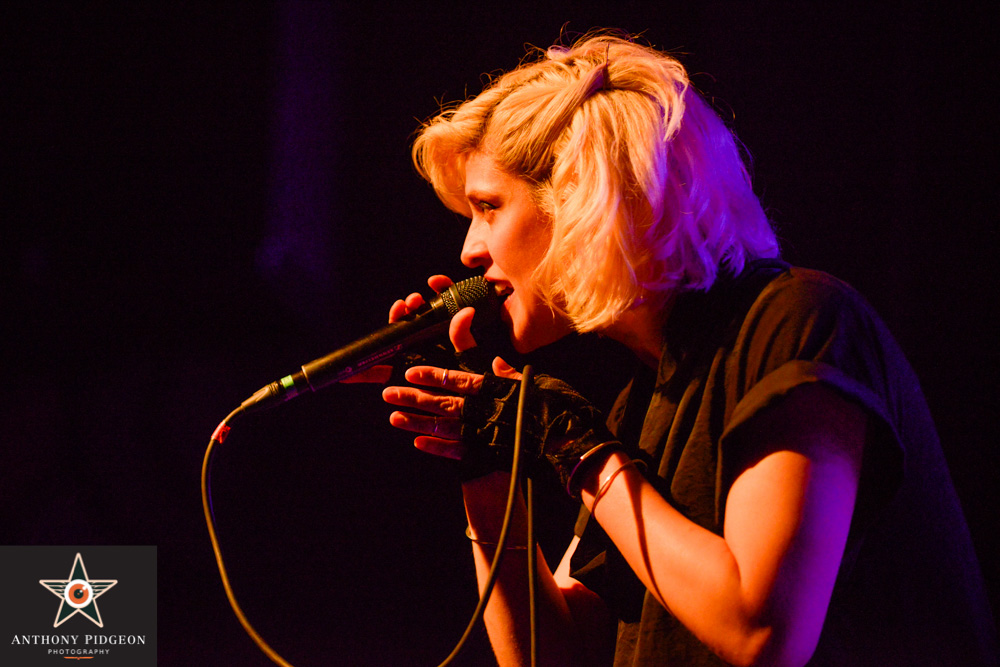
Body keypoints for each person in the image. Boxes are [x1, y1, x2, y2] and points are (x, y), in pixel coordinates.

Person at [377, 33, 997, 666]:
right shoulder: (640, 404)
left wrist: (577, 449)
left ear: (584, 199)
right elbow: (554, 657)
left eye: (488, 207)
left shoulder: (800, 322)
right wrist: (487, 472)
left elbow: (761, 632)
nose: (469, 251)